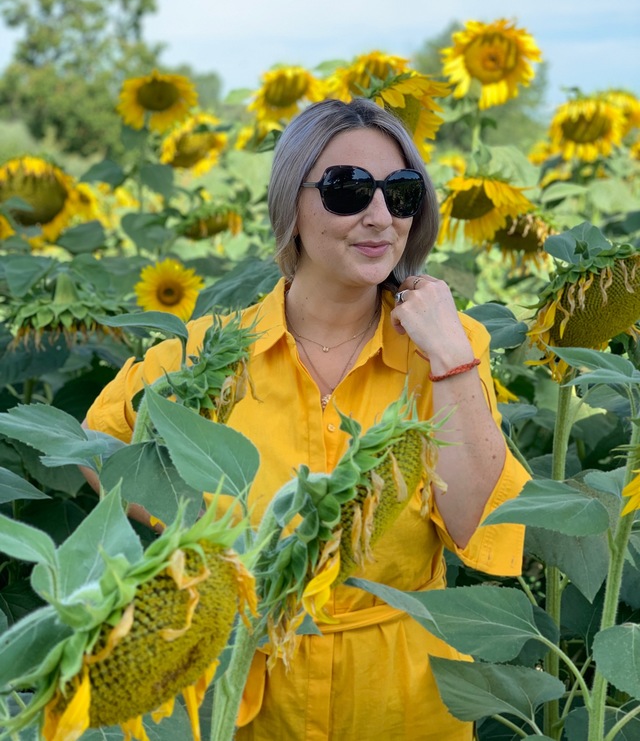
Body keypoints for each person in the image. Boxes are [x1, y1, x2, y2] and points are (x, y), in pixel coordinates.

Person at [85, 97, 530, 740]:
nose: (380, 217)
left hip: (401, 701)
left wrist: (452, 360)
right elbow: (101, 445)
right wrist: (193, 543)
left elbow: (471, 521)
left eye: (400, 193)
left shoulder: (446, 348)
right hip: (249, 696)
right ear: (291, 204)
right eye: (348, 190)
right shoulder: (209, 353)